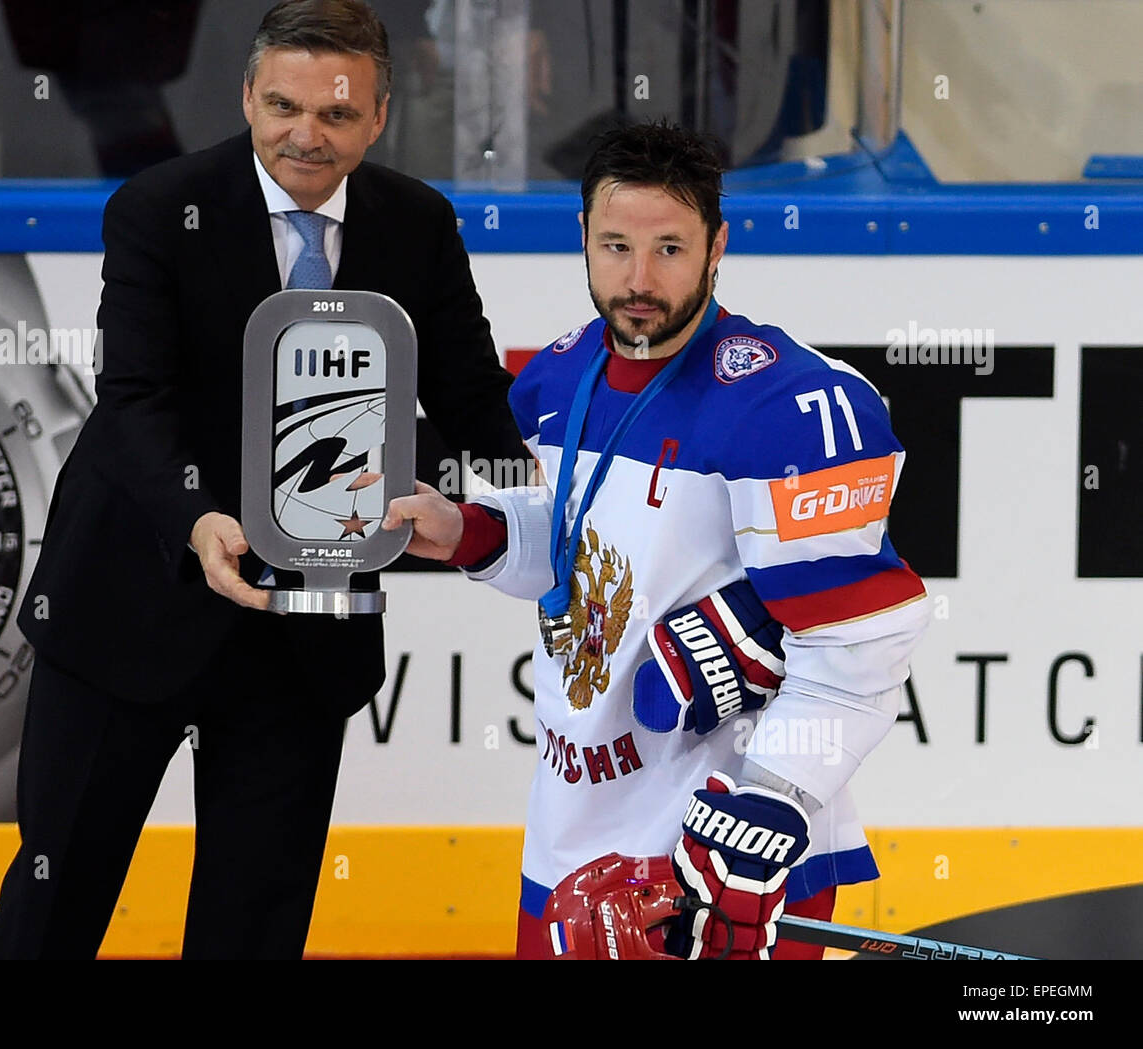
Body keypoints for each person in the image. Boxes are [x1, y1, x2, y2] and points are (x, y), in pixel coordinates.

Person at [0, 0, 528, 960]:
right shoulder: (158, 207)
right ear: (245, 96)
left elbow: (475, 403)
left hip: (302, 635)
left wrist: (539, 485)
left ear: (379, 115)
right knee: (53, 901)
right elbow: (135, 400)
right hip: (132, 602)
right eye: (282, 106)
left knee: (254, 927)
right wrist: (198, 520)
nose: (304, 137)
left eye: (336, 115)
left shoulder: (418, 222)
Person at [383, 120, 930, 960]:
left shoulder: (790, 407)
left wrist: (773, 802)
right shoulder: (562, 377)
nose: (639, 280)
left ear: (718, 244)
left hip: (720, 859)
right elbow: (585, 555)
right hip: (571, 826)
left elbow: (858, 647)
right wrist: (473, 531)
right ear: (584, 238)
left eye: (670, 247)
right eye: (616, 245)